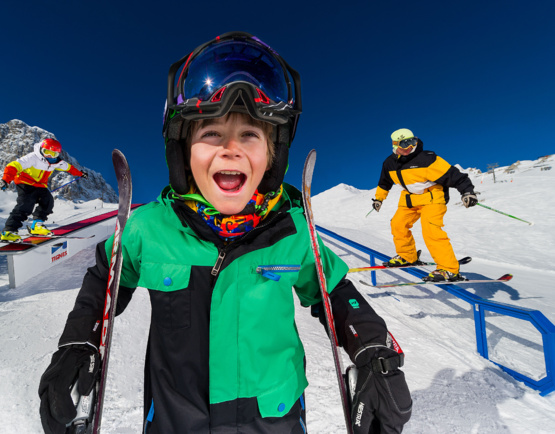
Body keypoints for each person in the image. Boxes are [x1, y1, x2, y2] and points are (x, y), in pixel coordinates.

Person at [38, 32, 412, 433]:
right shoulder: (149, 229)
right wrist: (78, 342)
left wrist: (373, 348)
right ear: (182, 151)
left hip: (274, 416)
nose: (231, 149)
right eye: (211, 134)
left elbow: (334, 291)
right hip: (176, 419)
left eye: (251, 135)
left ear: (273, 156)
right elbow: (104, 281)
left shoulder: (292, 231)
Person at [372, 128, 478, 282]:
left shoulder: (427, 159)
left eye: (412, 142)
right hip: (409, 201)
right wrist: (378, 199)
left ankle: (449, 269)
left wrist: (467, 192)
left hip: (432, 198)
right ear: (395, 145)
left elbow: (455, 176)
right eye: (404, 143)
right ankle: (407, 256)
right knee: (397, 224)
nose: (409, 147)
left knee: (431, 230)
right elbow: (384, 182)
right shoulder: (389, 163)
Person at [0, 138, 88, 241]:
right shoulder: (33, 157)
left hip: (40, 185)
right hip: (25, 182)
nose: (50, 156)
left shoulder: (57, 162)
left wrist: (81, 174)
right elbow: (13, 166)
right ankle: (9, 231)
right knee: (26, 204)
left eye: (53, 154)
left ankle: (37, 226)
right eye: (47, 152)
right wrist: (5, 180)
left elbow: (70, 168)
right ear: (41, 149)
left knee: (48, 201)